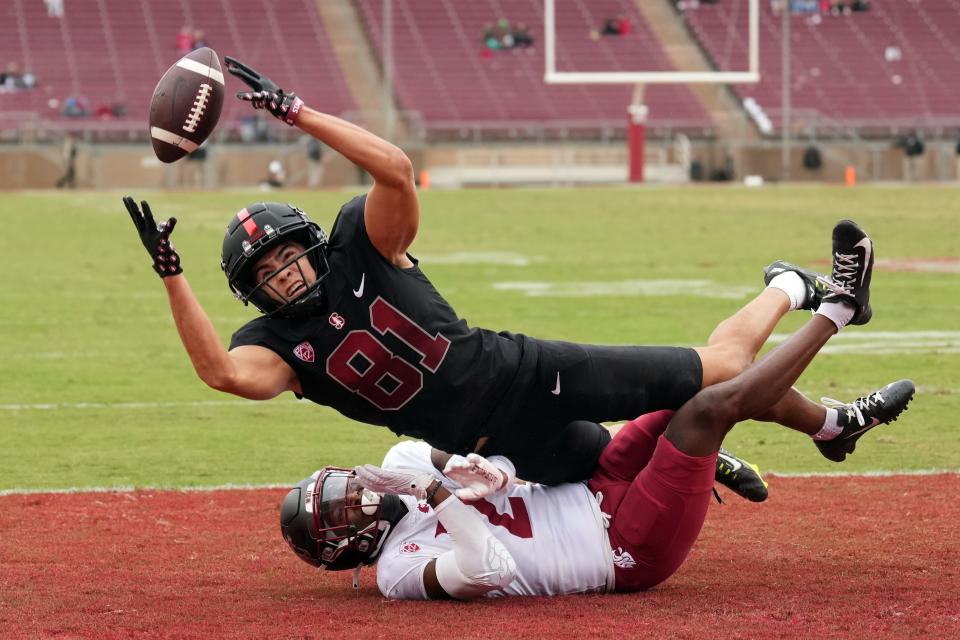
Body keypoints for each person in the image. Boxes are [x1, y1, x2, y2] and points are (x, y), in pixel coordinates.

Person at [121, 57, 869, 488]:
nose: (284, 276)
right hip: (485, 446)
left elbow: (397, 170)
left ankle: (791, 291)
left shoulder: (363, 244)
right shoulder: (276, 346)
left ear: (312, 244)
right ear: (252, 289)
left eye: (287, 255)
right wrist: (170, 274)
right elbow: (221, 372)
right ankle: (830, 425)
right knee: (611, 471)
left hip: (527, 374)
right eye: (268, 271)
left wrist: (301, 113)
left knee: (727, 372)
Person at [280, 220, 916, 598]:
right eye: (340, 512)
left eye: (339, 487)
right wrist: (441, 496)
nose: (355, 495)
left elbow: (489, 469)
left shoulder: (401, 461)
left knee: (693, 389)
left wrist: (488, 473)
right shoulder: (397, 573)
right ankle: (834, 307)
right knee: (708, 409)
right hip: (620, 548)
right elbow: (489, 567)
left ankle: (834, 422)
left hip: (590, 481)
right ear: (345, 549)